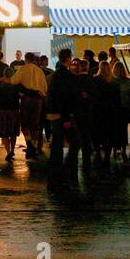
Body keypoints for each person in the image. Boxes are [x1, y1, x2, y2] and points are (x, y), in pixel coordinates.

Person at [46, 49, 79, 190]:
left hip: (55, 113)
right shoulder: (64, 75)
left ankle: (56, 174)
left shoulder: (56, 74)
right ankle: (63, 171)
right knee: (75, 142)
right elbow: (64, 97)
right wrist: (66, 117)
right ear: (68, 59)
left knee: (57, 145)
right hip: (62, 115)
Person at [12, 53, 48, 159]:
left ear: (26, 59)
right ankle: (35, 146)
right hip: (38, 100)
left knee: (25, 123)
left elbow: (14, 81)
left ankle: (29, 144)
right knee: (35, 124)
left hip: (26, 99)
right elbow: (45, 88)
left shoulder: (23, 69)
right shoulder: (39, 71)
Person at [0, 67, 21, 163]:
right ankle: (12, 150)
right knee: (13, 133)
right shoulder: (16, 84)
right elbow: (20, 95)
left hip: (3, 111)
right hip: (14, 111)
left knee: (5, 133)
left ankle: (8, 151)